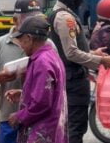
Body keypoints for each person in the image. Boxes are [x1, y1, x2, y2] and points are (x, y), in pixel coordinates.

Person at [48, 0, 110, 143]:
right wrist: (101, 60)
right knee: (75, 128)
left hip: (68, 80)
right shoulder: (65, 18)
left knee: (71, 126)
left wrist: (93, 54)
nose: (81, 0)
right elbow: (70, 53)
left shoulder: (58, 14)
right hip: (72, 82)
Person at [0, 0, 51, 143]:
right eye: (29, 19)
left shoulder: (47, 45)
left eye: (37, 18)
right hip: (10, 116)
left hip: (39, 118)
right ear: (16, 20)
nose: (35, 23)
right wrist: (2, 76)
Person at [6, 15, 68, 143]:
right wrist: (24, 94)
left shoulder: (42, 62)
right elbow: (48, 93)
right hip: (53, 129)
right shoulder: (51, 56)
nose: (21, 46)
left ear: (29, 38)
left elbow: (42, 103)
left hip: (42, 132)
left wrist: (19, 116)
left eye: (21, 41)